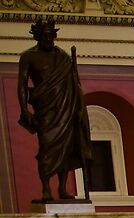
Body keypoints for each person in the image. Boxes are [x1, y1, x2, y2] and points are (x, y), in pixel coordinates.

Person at [15, 21, 90, 206]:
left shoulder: (63, 56)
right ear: (37, 36)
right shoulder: (28, 57)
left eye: (51, 35)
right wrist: (24, 110)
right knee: (47, 149)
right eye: (44, 36)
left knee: (66, 149)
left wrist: (79, 108)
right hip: (46, 110)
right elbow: (22, 86)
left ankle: (62, 188)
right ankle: (46, 188)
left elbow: (75, 85)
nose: (49, 39)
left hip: (66, 108)